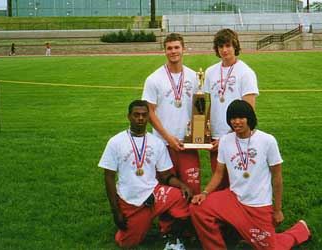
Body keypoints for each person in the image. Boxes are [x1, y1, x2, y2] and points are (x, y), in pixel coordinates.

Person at [190, 100, 311, 249]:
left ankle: (299, 230)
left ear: (249, 118)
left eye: (241, 117)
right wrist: (205, 192)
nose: (237, 122)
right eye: (233, 118)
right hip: (233, 199)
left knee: (271, 247)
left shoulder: (267, 141)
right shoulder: (226, 141)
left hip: (258, 205)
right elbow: (219, 174)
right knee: (198, 208)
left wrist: (278, 210)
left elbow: (277, 177)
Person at [98, 100, 193, 248]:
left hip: (154, 195)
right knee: (128, 243)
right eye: (136, 115)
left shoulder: (156, 143)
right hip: (131, 199)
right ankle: (135, 221)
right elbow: (108, 177)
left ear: (148, 117)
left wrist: (182, 185)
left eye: (144, 115)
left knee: (181, 196)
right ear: (128, 116)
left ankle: (173, 236)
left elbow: (165, 175)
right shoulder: (116, 142)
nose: (140, 118)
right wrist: (115, 211)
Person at [142, 33, 201, 195]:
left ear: (184, 49)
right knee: (168, 189)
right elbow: (149, 112)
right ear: (164, 51)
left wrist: (200, 135)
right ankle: (170, 220)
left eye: (176, 47)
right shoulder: (153, 79)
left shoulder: (195, 77)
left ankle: (191, 219)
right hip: (163, 144)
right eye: (169, 48)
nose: (173, 51)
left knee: (193, 187)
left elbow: (200, 110)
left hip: (188, 143)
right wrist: (168, 138)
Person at [204, 28, 259, 190]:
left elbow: (249, 110)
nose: (224, 50)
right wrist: (205, 129)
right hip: (215, 137)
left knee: (239, 181)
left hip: (238, 136)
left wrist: (227, 137)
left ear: (235, 46)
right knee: (219, 181)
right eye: (220, 46)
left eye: (228, 45)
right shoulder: (210, 72)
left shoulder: (246, 73)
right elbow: (211, 104)